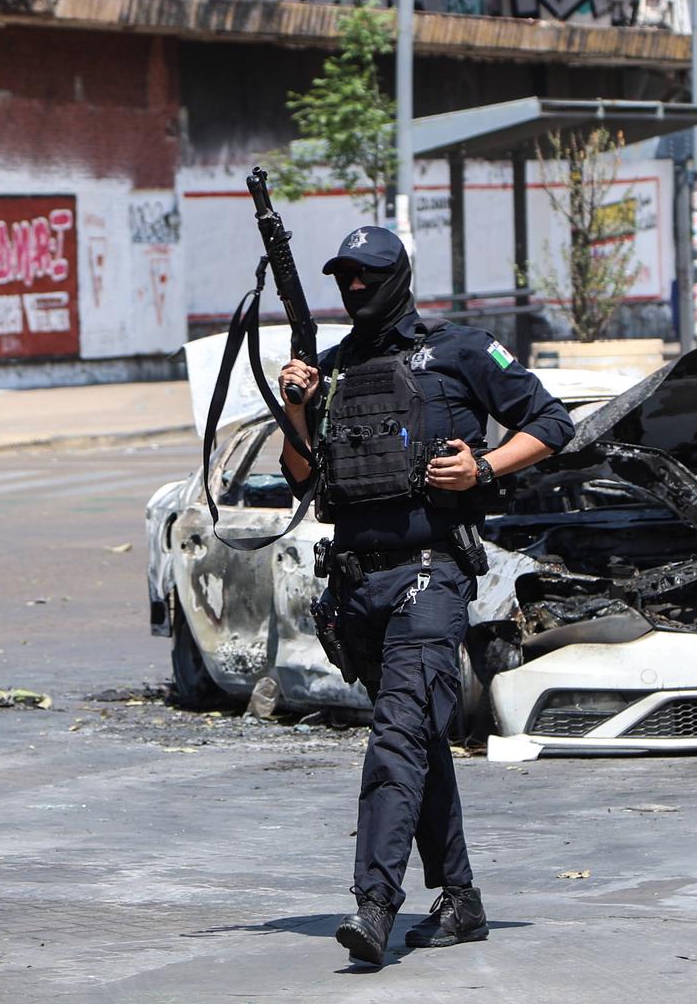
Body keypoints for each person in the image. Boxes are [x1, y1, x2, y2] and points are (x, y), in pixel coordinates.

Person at [277, 225, 573, 967]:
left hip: (429, 578)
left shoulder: (463, 351)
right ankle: (462, 900)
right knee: (417, 744)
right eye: (341, 275)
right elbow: (300, 478)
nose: (352, 288)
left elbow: (553, 421)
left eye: (364, 275)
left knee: (396, 741)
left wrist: (486, 469)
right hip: (355, 587)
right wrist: (297, 407)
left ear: (397, 276)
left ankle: (374, 906)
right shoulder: (334, 371)